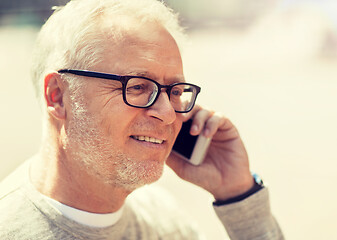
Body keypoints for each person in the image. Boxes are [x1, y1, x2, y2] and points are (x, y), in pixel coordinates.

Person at [0, 0, 284, 239]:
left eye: (174, 91)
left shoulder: (165, 220)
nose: (168, 113)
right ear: (58, 97)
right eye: (137, 86)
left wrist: (240, 197)